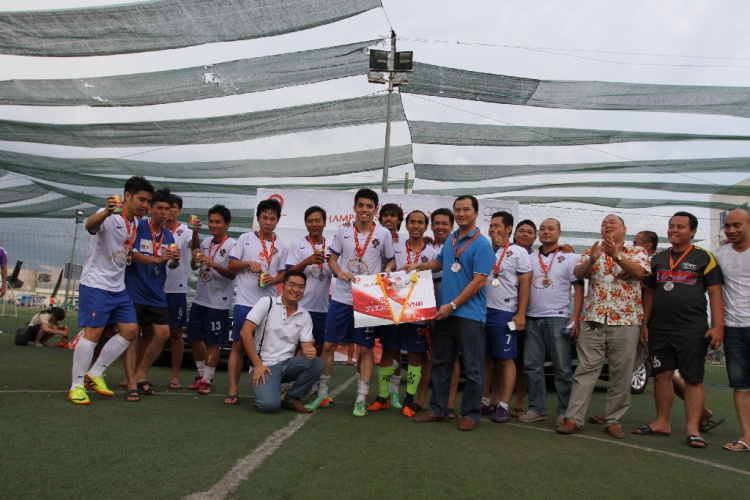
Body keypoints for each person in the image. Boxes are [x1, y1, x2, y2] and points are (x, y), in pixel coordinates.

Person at [403, 195, 496, 431]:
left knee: (473, 367)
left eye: (466, 209)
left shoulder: (482, 244)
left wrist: (452, 305)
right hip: (445, 314)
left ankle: (471, 414)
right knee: (441, 364)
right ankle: (439, 410)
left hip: (468, 315)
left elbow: (478, 282)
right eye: (458, 209)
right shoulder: (453, 239)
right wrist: (418, 266)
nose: (462, 213)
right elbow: (440, 263)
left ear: (476, 213)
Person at [635, 211, 724, 449]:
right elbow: (650, 293)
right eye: (671, 226)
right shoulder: (659, 259)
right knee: (662, 375)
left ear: (693, 231)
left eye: (681, 227)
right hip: (660, 327)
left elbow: (715, 293)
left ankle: (693, 429)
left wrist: (717, 326)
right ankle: (662, 422)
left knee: (693, 378)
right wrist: (645, 323)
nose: (674, 230)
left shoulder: (705, 257)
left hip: (692, 328)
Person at [556, 215, 650, 438]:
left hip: (626, 320)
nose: (607, 226)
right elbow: (578, 274)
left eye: (612, 223)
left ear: (624, 229)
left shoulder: (636, 251)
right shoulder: (593, 249)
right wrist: (591, 260)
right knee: (585, 370)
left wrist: (616, 255)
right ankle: (573, 418)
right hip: (593, 319)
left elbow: (638, 273)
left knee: (621, 373)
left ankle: (613, 421)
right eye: (604, 224)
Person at [68, 176, 154, 405]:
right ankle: (76, 386)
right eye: (142, 200)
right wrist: (106, 211)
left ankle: (95, 374)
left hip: (118, 286)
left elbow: (127, 250)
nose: (145, 205)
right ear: (127, 196)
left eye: (148, 201)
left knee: (130, 330)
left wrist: (156, 259)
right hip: (96, 284)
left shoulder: (134, 222)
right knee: (93, 334)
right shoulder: (110, 214)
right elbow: (90, 225)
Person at [319, 188, 395, 417]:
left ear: (375, 209)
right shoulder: (342, 232)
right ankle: (322, 393)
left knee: (365, 349)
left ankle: (361, 398)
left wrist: (387, 272)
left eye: (369, 206)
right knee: (329, 345)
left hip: (367, 298)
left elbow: (390, 261)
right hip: (342, 297)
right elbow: (331, 258)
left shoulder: (383, 234)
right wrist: (339, 272)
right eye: (360, 205)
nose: (364, 210)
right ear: (354, 208)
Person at [520, 218, 583, 427]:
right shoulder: (529, 257)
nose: (546, 232)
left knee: (563, 368)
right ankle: (537, 409)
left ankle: (565, 412)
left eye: (551, 229)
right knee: (532, 366)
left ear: (560, 232)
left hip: (558, 317)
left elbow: (579, 288)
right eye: (543, 229)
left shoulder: (570, 257)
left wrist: (575, 317)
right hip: (532, 317)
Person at [378, 210, 439, 417]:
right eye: (412, 221)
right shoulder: (395, 247)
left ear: (425, 226)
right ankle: (383, 396)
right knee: (388, 350)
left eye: (420, 222)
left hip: (418, 310)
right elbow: (386, 269)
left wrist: (432, 313)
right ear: (406, 225)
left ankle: (410, 400)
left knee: (414, 355)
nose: (416, 225)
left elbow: (436, 283)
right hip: (394, 307)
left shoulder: (432, 253)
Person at [122, 188, 180, 401]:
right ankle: (130, 383)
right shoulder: (138, 227)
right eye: (160, 208)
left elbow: (172, 265)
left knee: (163, 334)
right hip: (134, 290)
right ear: (150, 208)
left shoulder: (169, 235)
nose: (164, 212)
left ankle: (140, 373)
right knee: (132, 335)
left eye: (168, 209)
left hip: (156, 292)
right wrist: (157, 259)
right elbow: (130, 254)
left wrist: (174, 259)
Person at [238, 270, 324, 413]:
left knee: (317, 363)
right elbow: (245, 332)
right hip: (265, 365)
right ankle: (264, 392)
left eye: (301, 287)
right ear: (282, 286)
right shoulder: (267, 302)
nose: (296, 290)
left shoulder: (305, 315)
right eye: (292, 285)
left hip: (288, 364)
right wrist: (257, 365)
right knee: (269, 406)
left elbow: (306, 345)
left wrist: (310, 351)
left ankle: (291, 399)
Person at [227, 199, 288, 399]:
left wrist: (274, 280)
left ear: (277, 221)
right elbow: (231, 265)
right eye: (265, 218)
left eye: (272, 218)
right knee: (238, 345)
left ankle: (262, 392)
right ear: (258, 218)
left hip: (269, 304)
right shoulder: (245, 239)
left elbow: (283, 274)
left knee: (266, 349)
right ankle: (233, 389)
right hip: (245, 302)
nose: (268, 222)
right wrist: (248, 263)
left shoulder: (281, 245)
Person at [481, 211, 531, 423]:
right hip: (482, 311)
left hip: (505, 312)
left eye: (497, 226)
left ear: (509, 228)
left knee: (505, 359)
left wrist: (520, 314)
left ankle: (502, 404)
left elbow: (525, 284)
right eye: (491, 226)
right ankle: (484, 400)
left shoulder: (519, 252)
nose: (493, 229)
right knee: (484, 358)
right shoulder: (484, 248)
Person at [183, 205, 237, 400]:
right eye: (211, 221)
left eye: (218, 222)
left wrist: (213, 263)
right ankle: (200, 374)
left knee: (213, 341)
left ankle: (208, 379)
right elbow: (194, 265)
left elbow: (232, 274)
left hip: (218, 302)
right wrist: (195, 234)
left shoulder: (233, 245)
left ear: (227, 224)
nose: (213, 225)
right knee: (194, 337)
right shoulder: (205, 241)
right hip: (200, 298)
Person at [285, 206, 333, 409]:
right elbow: (289, 272)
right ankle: (287, 387)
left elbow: (338, 270)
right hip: (300, 307)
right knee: (295, 347)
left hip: (322, 307)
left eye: (318, 221)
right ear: (306, 223)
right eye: (310, 221)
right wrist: (307, 261)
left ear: (325, 223)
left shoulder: (332, 246)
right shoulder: (297, 244)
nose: (314, 224)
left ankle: (315, 389)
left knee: (319, 348)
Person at [712, 208, 750, 451]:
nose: (731, 230)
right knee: (741, 385)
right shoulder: (718, 254)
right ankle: (747, 437)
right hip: (734, 328)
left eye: (737, 225)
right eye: (727, 226)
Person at [415, 208, 456, 415]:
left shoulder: (459, 246)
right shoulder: (428, 249)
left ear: (452, 226)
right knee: (428, 355)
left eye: (445, 224)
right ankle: (422, 398)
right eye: (436, 223)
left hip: (453, 307)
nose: (440, 227)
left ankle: (449, 403)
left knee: (452, 357)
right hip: (429, 308)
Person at [368, 202, 406, 412]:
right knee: (365, 346)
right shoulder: (372, 239)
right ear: (379, 218)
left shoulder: (406, 243)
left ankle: (392, 392)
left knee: (394, 348)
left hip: (395, 300)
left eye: (393, 216)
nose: (389, 219)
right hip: (373, 297)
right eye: (385, 216)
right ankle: (361, 388)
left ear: (399, 219)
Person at [162, 193, 194, 389]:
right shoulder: (151, 228)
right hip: (153, 288)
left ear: (179, 210)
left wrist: (196, 232)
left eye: (173, 207)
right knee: (146, 330)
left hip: (177, 289)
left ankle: (174, 375)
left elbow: (195, 248)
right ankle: (138, 373)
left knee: (175, 333)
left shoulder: (186, 231)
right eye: (166, 207)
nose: (170, 210)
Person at [510, 219, 537, 417]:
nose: (525, 234)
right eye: (522, 231)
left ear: (535, 237)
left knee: (522, 361)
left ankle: (519, 402)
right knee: (499, 358)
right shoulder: (504, 252)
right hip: (506, 310)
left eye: (530, 232)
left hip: (528, 314)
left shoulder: (537, 257)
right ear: (514, 233)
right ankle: (494, 399)